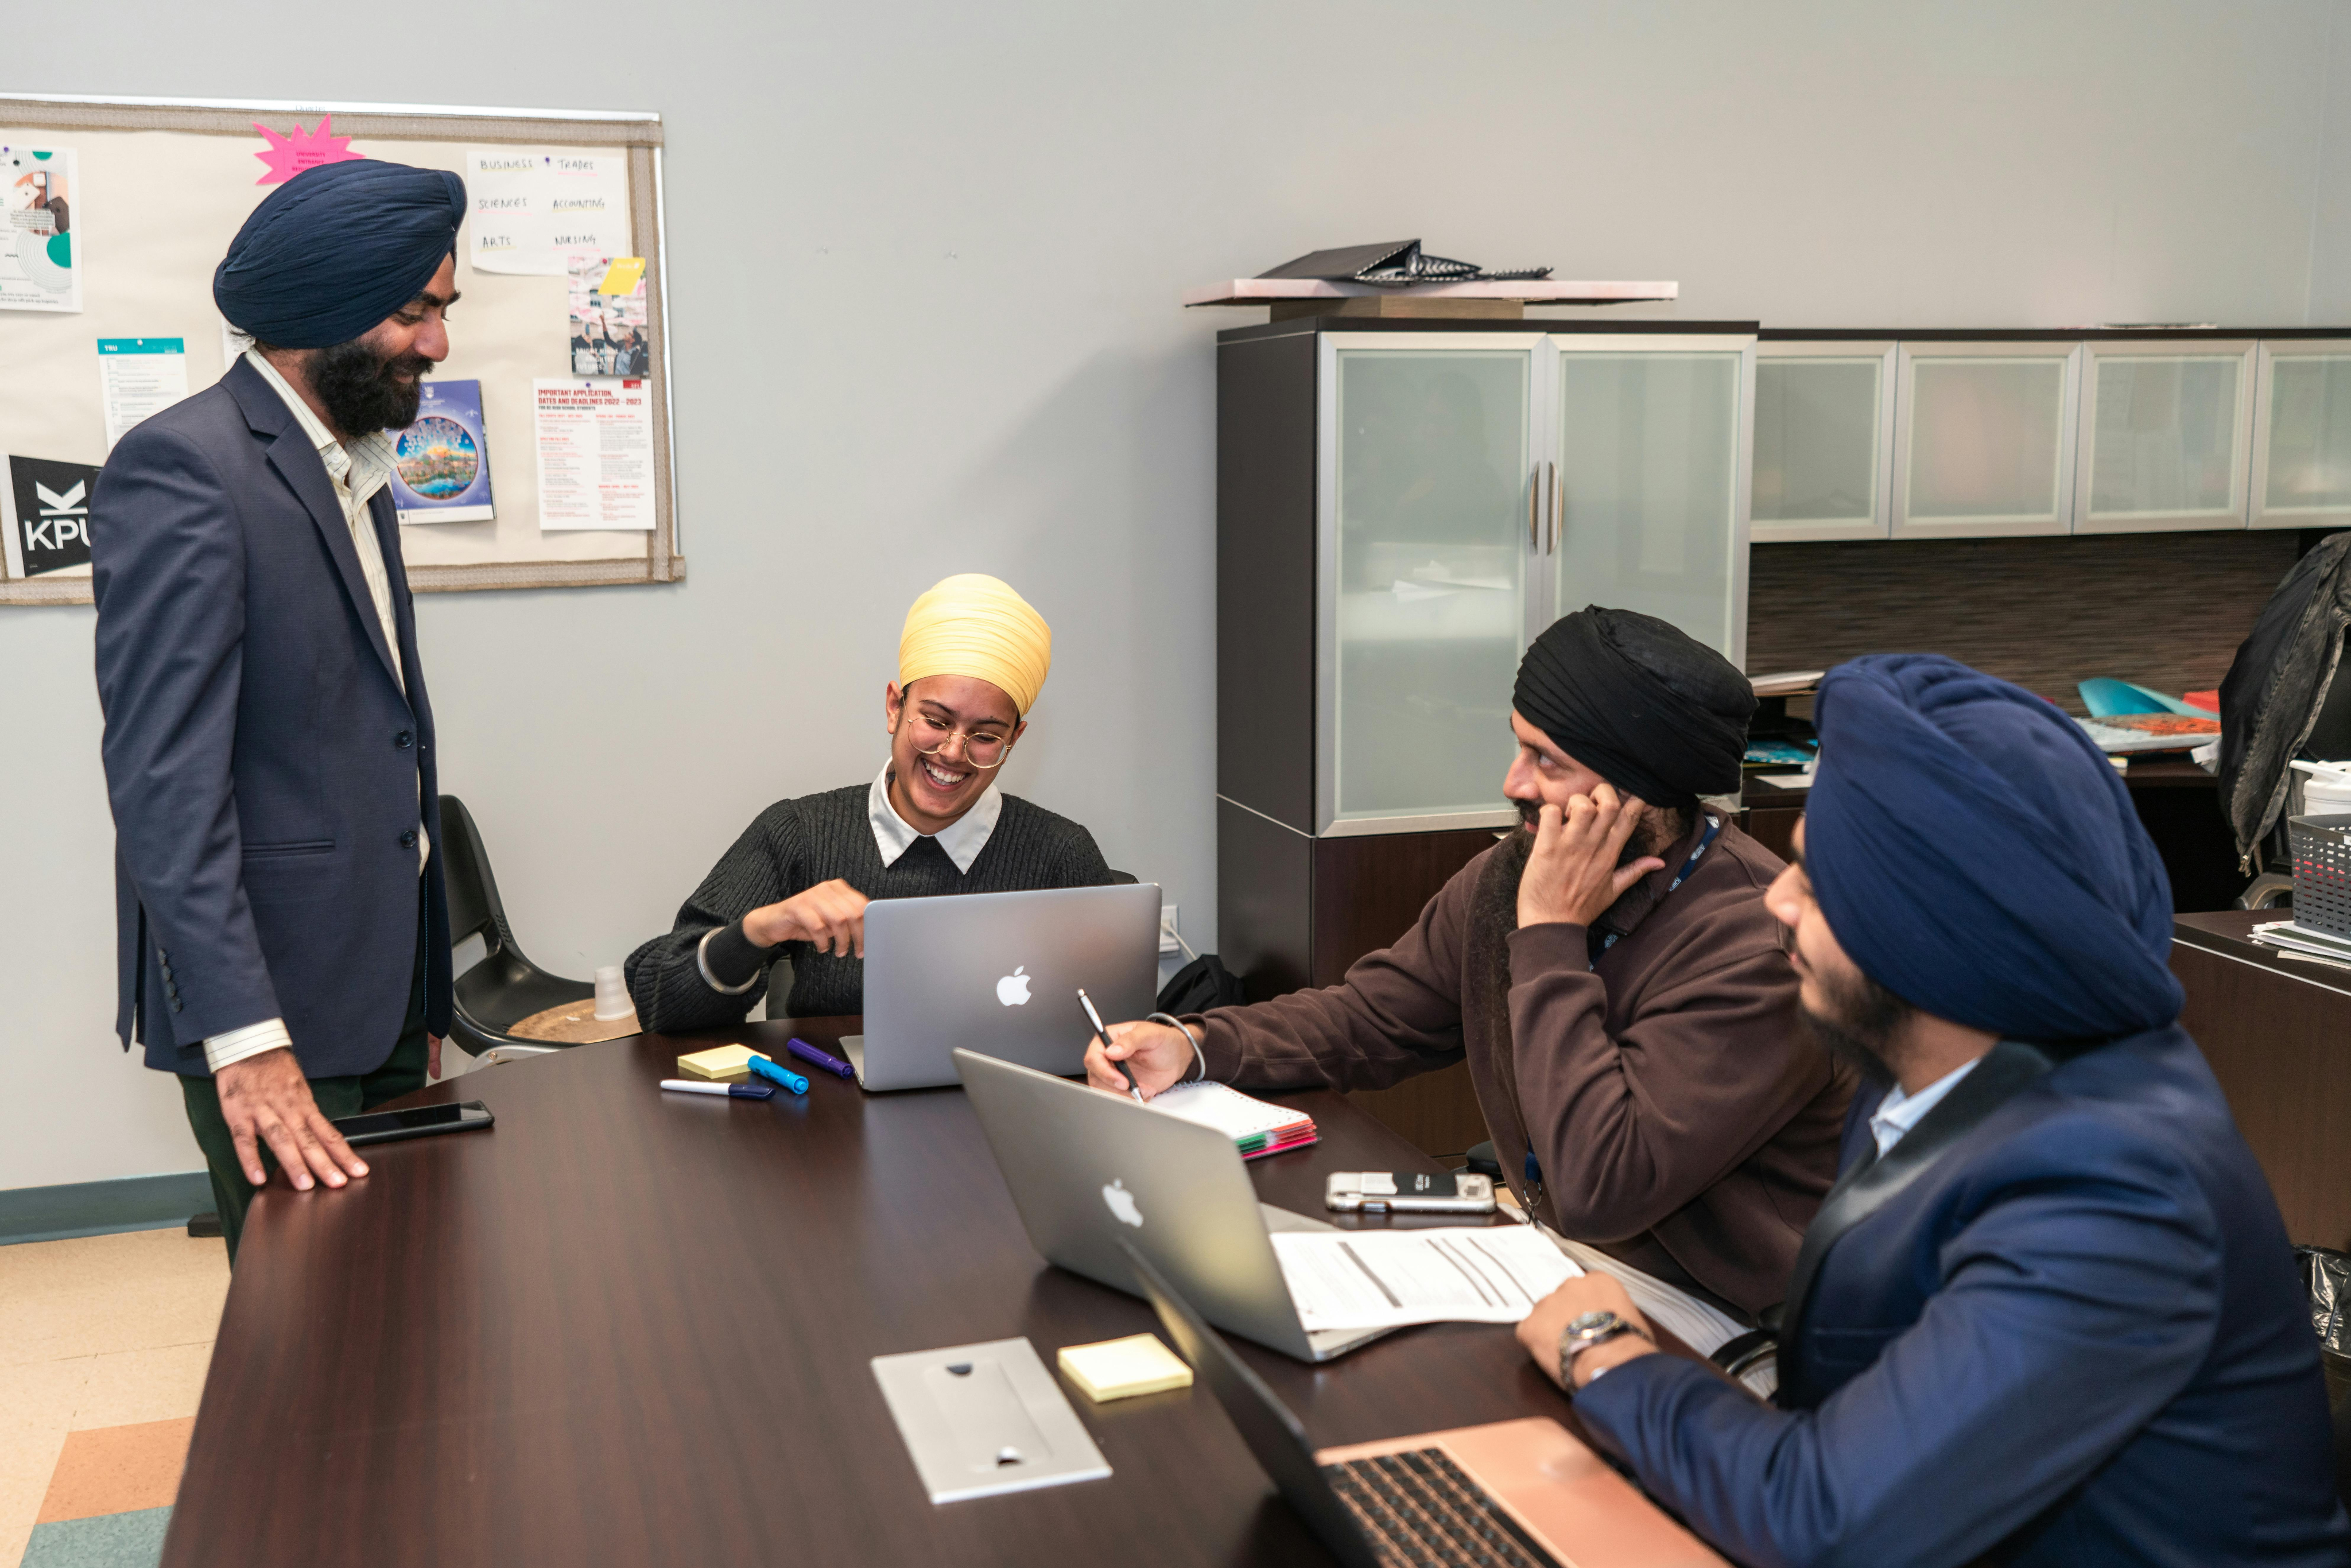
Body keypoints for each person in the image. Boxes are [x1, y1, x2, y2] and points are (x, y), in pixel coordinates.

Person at [1512, 654, 2351, 1568]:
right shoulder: (1929, 1059)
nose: (1778, 905)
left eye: (1818, 881)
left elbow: (1829, 1520)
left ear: (1925, 931)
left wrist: (1607, 1351)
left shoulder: (2114, 1193)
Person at [1091, 607, 1853, 1317]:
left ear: (1638, 796)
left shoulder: (1758, 944)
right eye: (1519, 746)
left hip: (1710, 1309)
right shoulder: (1513, 874)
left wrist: (1551, 933)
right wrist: (1196, 1043)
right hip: (1549, 1248)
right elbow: (1371, 1018)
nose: (1513, 783)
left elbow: (1603, 1188)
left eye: (1546, 761)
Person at [90, 160, 467, 1262]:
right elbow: (166, 786)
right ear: (324, 312)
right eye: (414, 313)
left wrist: (421, 985)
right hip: (274, 1006)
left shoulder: (355, 464)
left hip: (384, 979)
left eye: (442, 311)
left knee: (399, 1295)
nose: (439, 344)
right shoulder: (185, 469)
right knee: (311, 1332)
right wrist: (244, 1040)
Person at [625, 573, 1114, 1024]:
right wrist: (758, 930)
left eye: (985, 735)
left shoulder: (1059, 855)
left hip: (1002, 1111)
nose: (952, 752)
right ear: (894, 707)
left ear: (1015, 739)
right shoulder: (800, 833)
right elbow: (658, 999)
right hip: (830, 1108)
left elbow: (1115, 1030)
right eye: (936, 721)